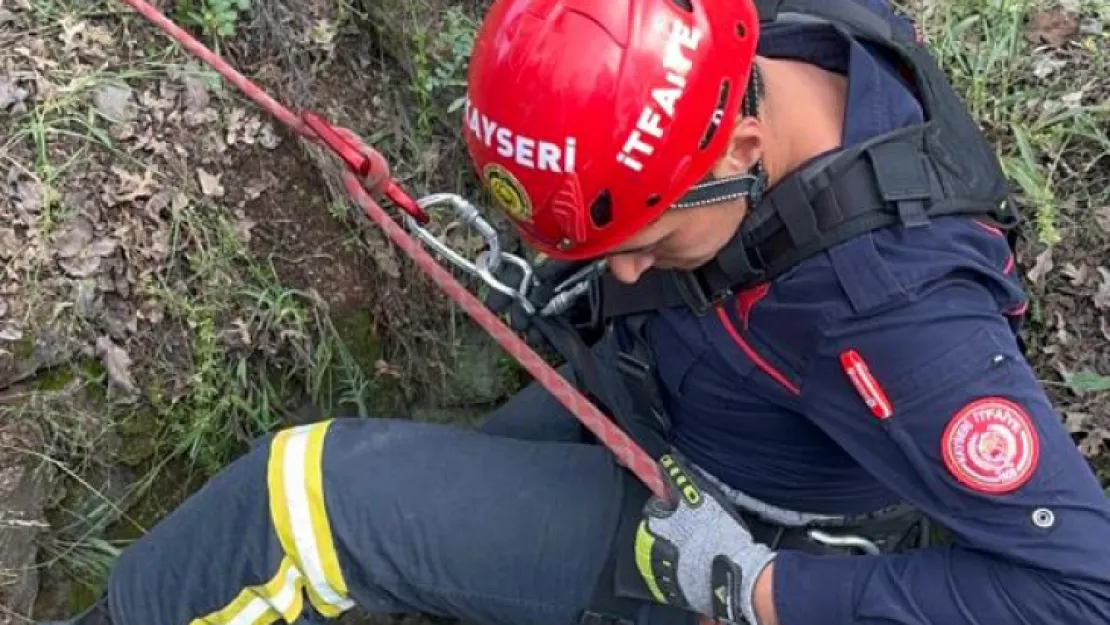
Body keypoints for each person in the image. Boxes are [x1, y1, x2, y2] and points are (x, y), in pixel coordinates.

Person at [41, 0, 1110, 624]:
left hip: (718, 524)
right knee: (439, 497)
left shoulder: (898, 318)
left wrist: (763, 588)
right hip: (669, 387)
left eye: (645, 240)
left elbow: (1077, 587)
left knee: (310, 499)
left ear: (741, 152)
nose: (628, 271)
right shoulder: (729, 37)